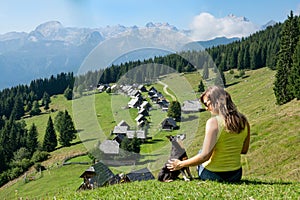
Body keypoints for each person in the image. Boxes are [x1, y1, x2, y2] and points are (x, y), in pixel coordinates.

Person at [167, 85, 250, 182]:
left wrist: (180, 164)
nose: (206, 108)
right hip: (235, 175)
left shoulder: (213, 122)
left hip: (213, 175)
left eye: (207, 104)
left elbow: (204, 156)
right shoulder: (244, 121)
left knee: (201, 151)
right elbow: (243, 150)